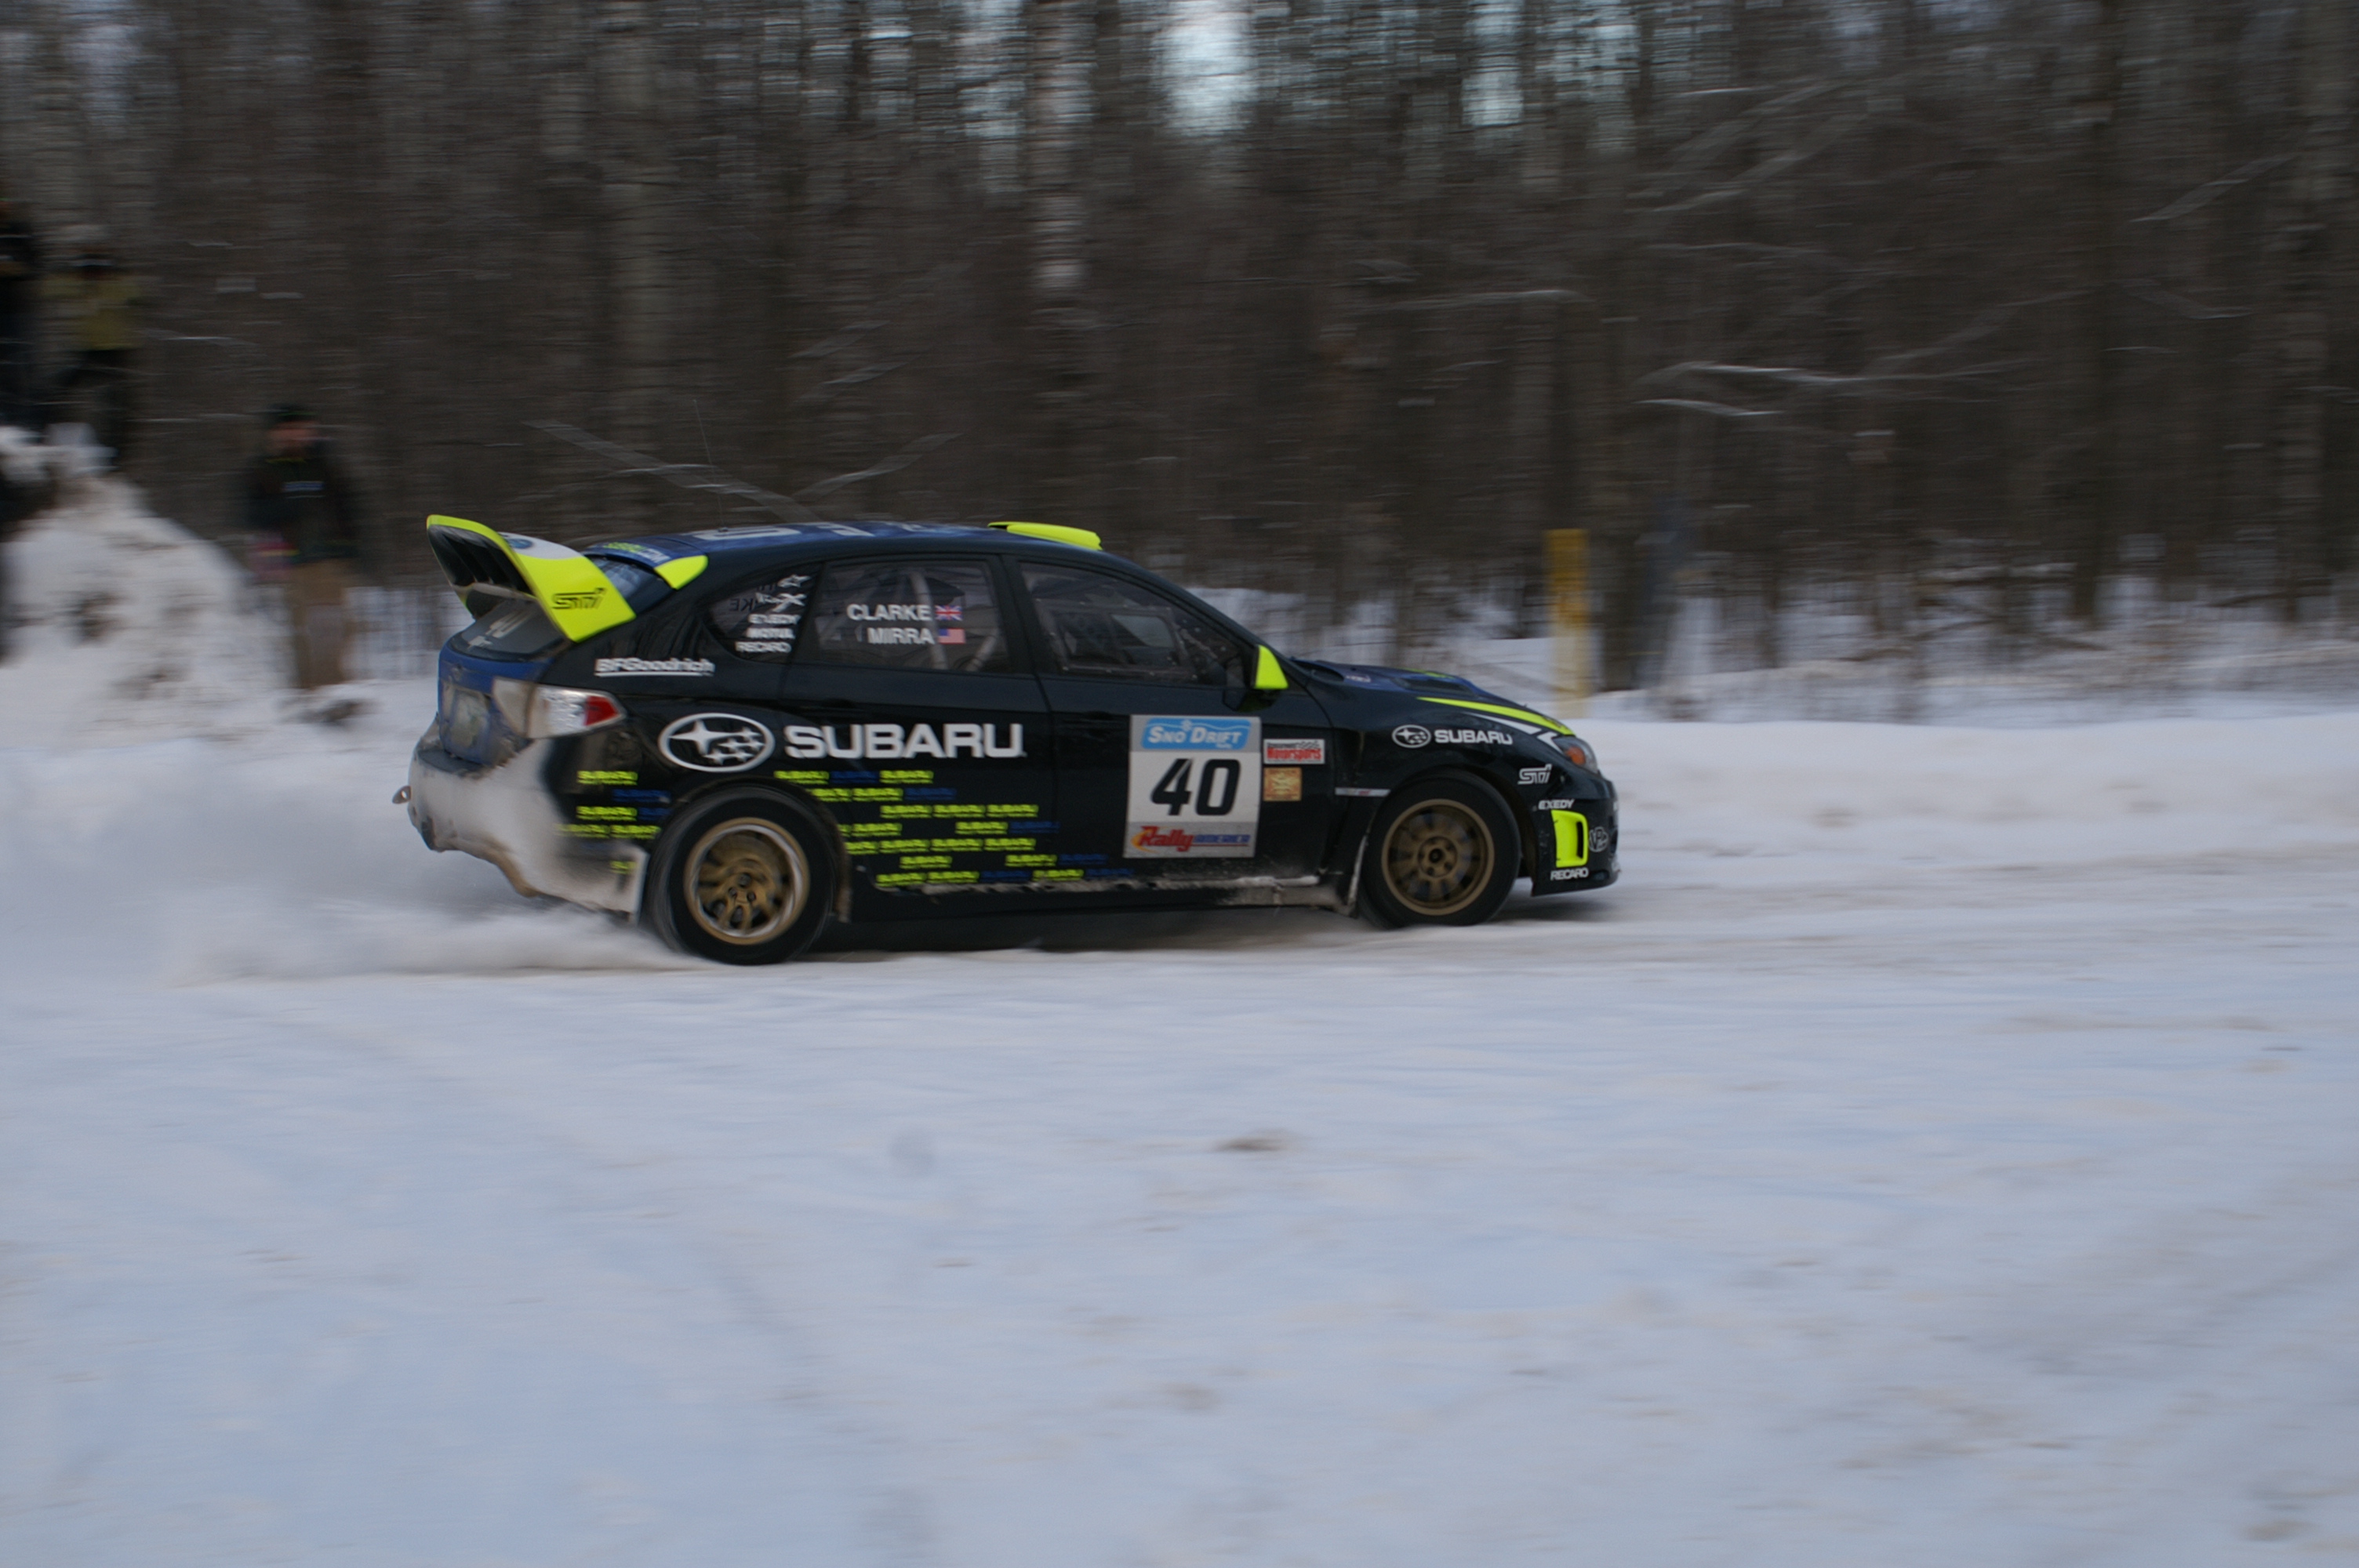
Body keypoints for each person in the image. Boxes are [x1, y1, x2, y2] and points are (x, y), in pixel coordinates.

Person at [242, 405, 363, 690]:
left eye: (301, 429)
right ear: (274, 434)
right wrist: (287, 508)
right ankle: (307, 688)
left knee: (336, 626)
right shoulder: (263, 469)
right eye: (287, 430)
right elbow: (249, 514)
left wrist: (354, 549)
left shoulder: (326, 466)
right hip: (286, 562)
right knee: (300, 628)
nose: (295, 435)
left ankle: (336, 686)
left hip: (328, 559)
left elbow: (347, 509)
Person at [42, 232, 142, 460]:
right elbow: (51, 289)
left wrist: (113, 273)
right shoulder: (80, 281)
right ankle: (52, 434)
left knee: (117, 404)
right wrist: (69, 270)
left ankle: (115, 453)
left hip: (115, 350)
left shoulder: (115, 282)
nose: (94, 274)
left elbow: (135, 293)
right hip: (89, 349)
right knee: (61, 389)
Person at [0, 193, 41, 430]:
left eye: (5, 200)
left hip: (17, 309)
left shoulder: (19, 230)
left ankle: (28, 423)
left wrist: (14, 268)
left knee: (23, 364)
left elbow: (35, 263)